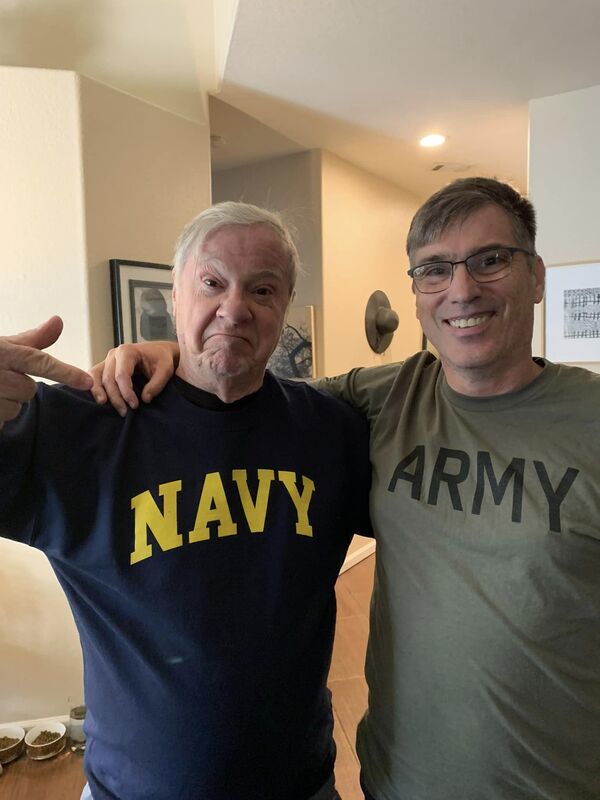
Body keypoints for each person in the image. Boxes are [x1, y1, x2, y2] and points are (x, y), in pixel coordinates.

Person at [95, 178, 600, 800]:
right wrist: (175, 351)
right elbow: (244, 390)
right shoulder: (386, 397)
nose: (463, 288)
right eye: (435, 269)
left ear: (538, 277)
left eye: (491, 259)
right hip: (395, 781)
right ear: (416, 292)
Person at [0, 202, 371, 800]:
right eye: (212, 282)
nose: (235, 308)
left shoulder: (335, 432)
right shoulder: (75, 427)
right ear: (174, 296)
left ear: (284, 309)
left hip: (301, 785)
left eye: (262, 289)